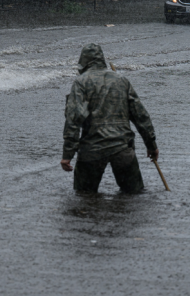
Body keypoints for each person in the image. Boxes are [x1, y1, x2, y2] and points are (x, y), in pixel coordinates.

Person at [60, 43, 159, 193]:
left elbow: (73, 119)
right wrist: (151, 145)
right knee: (134, 198)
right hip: (123, 149)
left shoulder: (81, 83)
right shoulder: (122, 81)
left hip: (91, 150)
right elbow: (141, 116)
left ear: (83, 61)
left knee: (84, 199)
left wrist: (67, 154)